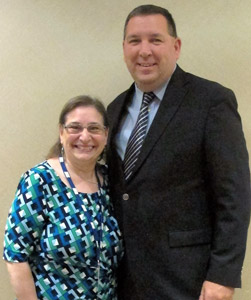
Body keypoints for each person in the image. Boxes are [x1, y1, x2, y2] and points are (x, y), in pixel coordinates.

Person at [106, 4, 251, 300]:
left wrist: (222, 275)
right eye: (135, 41)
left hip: (189, 279)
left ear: (176, 46)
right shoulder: (113, 109)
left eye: (155, 40)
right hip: (126, 279)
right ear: (124, 48)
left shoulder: (211, 101)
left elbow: (235, 195)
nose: (144, 50)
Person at [3, 95, 124, 300]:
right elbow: (16, 255)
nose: (84, 137)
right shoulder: (40, 180)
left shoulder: (111, 182)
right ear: (61, 133)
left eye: (94, 128)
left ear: (105, 135)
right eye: (75, 128)